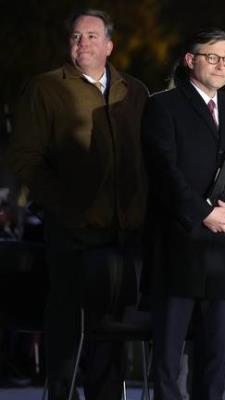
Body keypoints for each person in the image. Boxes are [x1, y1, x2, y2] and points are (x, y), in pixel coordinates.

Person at [7, 8, 148, 399]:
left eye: (90, 36)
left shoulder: (134, 90)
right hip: (72, 232)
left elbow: (148, 155)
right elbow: (24, 158)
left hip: (124, 234)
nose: (82, 43)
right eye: (75, 36)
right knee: (68, 329)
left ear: (108, 45)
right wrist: (67, 207)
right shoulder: (45, 88)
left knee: (112, 334)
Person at [141, 29, 225, 400]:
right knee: (169, 350)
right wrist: (203, 213)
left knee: (216, 348)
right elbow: (164, 169)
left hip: (220, 246)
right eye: (212, 57)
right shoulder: (164, 106)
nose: (221, 65)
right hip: (179, 241)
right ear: (190, 60)